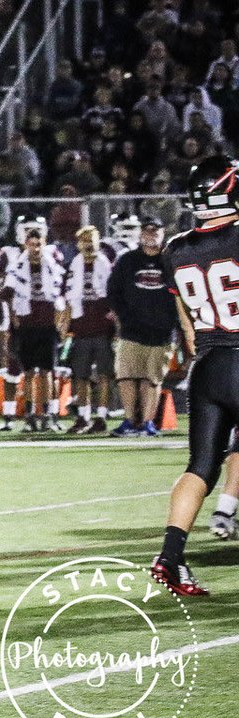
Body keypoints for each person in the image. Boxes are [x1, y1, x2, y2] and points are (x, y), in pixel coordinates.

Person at [149, 156, 239, 597]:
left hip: (206, 365)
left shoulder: (175, 249)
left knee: (201, 466)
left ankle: (170, 557)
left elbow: (185, 321)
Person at [107, 218, 178, 437]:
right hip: (132, 329)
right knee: (126, 377)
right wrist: (124, 317)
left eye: (155, 231)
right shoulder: (127, 260)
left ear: (163, 233)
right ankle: (130, 421)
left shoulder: (171, 260)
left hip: (162, 331)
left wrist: (172, 320)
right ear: (140, 234)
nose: (151, 235)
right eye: (147, 231)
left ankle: (147, 422)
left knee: (152, 379)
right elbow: (113, 291)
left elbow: (182, 292)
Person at [3, 223, 67, 431]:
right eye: (31, 244)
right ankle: (30, 415)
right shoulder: (17, 268)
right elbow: (9, 296)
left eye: (38, 244)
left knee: (48, 372)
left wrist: (60, 324)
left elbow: (61, 297)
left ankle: (48, 414)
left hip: (48, 324)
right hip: (28, 324)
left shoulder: (53, 267)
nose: (35, 249)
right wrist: (15, 321)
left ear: (44, 244)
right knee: (29, 372)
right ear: (25, 245)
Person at [64, 226, 114, 434]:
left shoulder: (105, 264)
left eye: (91, 239)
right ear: (78, 244)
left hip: (102, 325)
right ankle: (83, 416)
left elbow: (112, 293)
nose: (88, 243)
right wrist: (66, 324)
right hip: (82, 324)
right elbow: (68, 296)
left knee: (103, 374)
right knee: (80, 374)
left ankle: (101, 416)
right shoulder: (75, 264)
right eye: (84, 239)